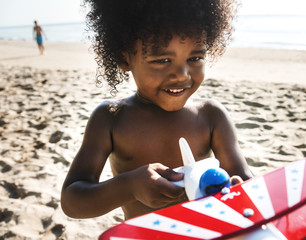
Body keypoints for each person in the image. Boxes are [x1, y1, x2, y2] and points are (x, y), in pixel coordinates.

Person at [61, 0, 253, 220]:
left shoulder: (211, 116)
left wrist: (238, 188)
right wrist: (129, 187)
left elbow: (244, 181)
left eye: (195, 58)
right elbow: (71, 201)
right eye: (162, 60)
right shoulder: (110, 119)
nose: (182, 75)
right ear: (125, 58)